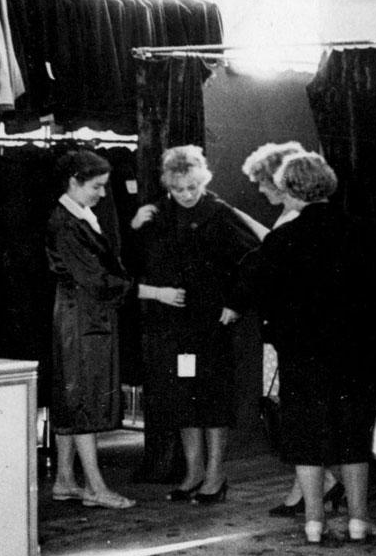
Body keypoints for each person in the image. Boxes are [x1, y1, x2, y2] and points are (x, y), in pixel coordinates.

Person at [234, 152, 376, 543]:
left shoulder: (283, 239)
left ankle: (314, 521)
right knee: (353, 434)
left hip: (301, 351)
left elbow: (250, 281)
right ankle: (358, 519)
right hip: (355, 350)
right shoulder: (360, 231)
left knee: (306, 435)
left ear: (289, 190)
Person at [132, 145, 260, 504]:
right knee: (182, 398)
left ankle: (215, 476)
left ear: (203, 180)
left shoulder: (219, 213)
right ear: (168, 185)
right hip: (173, 323)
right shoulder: (158, 214)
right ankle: (194, 473)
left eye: (192, 187)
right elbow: (136, 262)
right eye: (178, 189)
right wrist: (135, 227)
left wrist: (235, 303)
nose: (186, 195)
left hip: (211, 322)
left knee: (213, 400)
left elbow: (254, 257)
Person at [240, 142, 345, 518]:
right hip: (301, 330)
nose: (260, 190)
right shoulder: (292, 218)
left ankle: (315, 488)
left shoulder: (294, 221)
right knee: (296, 409)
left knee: (298, 410)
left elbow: (269, 254)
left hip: (295, 332)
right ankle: (312, 487)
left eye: (263, 183)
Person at [46, 149, 137, 509]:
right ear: (74, 182)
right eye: (96, 186)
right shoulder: (67, 223)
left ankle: (65, 480)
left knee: (73, 398)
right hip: (81, 317)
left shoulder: (77, 216)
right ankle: (96, 487)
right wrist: (142, 290)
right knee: (84, 400)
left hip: (80, 315)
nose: (102, 194)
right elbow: (96, 279)